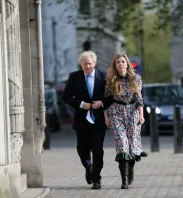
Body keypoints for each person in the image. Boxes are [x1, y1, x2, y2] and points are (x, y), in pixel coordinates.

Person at [62, 51, 112, 189]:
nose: (88, 66)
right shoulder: (74, 77)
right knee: (82, 149)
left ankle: (96, 179)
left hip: (98, 120)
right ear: (81, 65)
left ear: (94, 63)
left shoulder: (103, 76)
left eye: (90, 63)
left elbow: (111, 97)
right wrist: (80, 104)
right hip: (81, 120)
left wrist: (101, 103)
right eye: (85, 64)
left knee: (97, 150)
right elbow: (66, 97)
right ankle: (88, 166)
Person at [104, 53, 148, 189]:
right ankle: (124, 180)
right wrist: (106, 117)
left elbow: (139, 98)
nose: (121, 64)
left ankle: (131, 168)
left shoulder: (136, 79)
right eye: (118, 62)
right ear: (115, 65)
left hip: (132, 113)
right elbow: (106, 99)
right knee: (122, 145)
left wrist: (141, 115)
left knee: (132, 145)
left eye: (123, 61)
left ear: (127, 63)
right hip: (116, 112)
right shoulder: (111, 79)